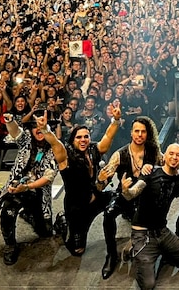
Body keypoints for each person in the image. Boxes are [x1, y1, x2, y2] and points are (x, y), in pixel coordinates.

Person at [120, 143, 179, 290]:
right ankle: (133, 247)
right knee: (148, 285)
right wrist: (126, 190)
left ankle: (159, 250)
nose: (174, 157)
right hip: (143, 232)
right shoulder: (150, 172)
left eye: (178, 155)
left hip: (162, 231)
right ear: (164, 156)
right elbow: (132, 194)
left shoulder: (178, 177)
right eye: (171, 153)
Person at [50, 100, 122, 257]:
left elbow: (108, 137)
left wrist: (115, 120)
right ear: (73, 140)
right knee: (78, 250)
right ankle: (63, 222)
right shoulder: (66, 157)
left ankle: (130, 214)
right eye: (79, 137)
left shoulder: (92, 150)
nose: (83, 140)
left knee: (121, 198)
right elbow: (55, 144)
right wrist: (45, 130)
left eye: (86, 137)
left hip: (95, 197)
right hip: (77, 208)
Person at [100, 115, 163, 279]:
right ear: (131, 133)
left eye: (143, 132)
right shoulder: (119, 154)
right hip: (125, 195)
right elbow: (103, 183)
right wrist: (100, 180)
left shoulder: (154, 152)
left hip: (146, 196)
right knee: (108, 215)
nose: (140, 135)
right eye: (137, 131)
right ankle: (111, 255)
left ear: (147, 134)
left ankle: (149, 249)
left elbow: (167, 168)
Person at [0, 113, 57, 265]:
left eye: (43, 126)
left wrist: (28, 186)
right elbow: (15, 131)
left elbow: (48, 177)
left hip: (37, 191)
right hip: (16, 188)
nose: (39, 128)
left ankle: (29, 214)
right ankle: (10, 245)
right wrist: (10, 121)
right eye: (35, 126)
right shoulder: (26, 141)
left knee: (45, 232)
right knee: (8, 212)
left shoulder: (54, 148)